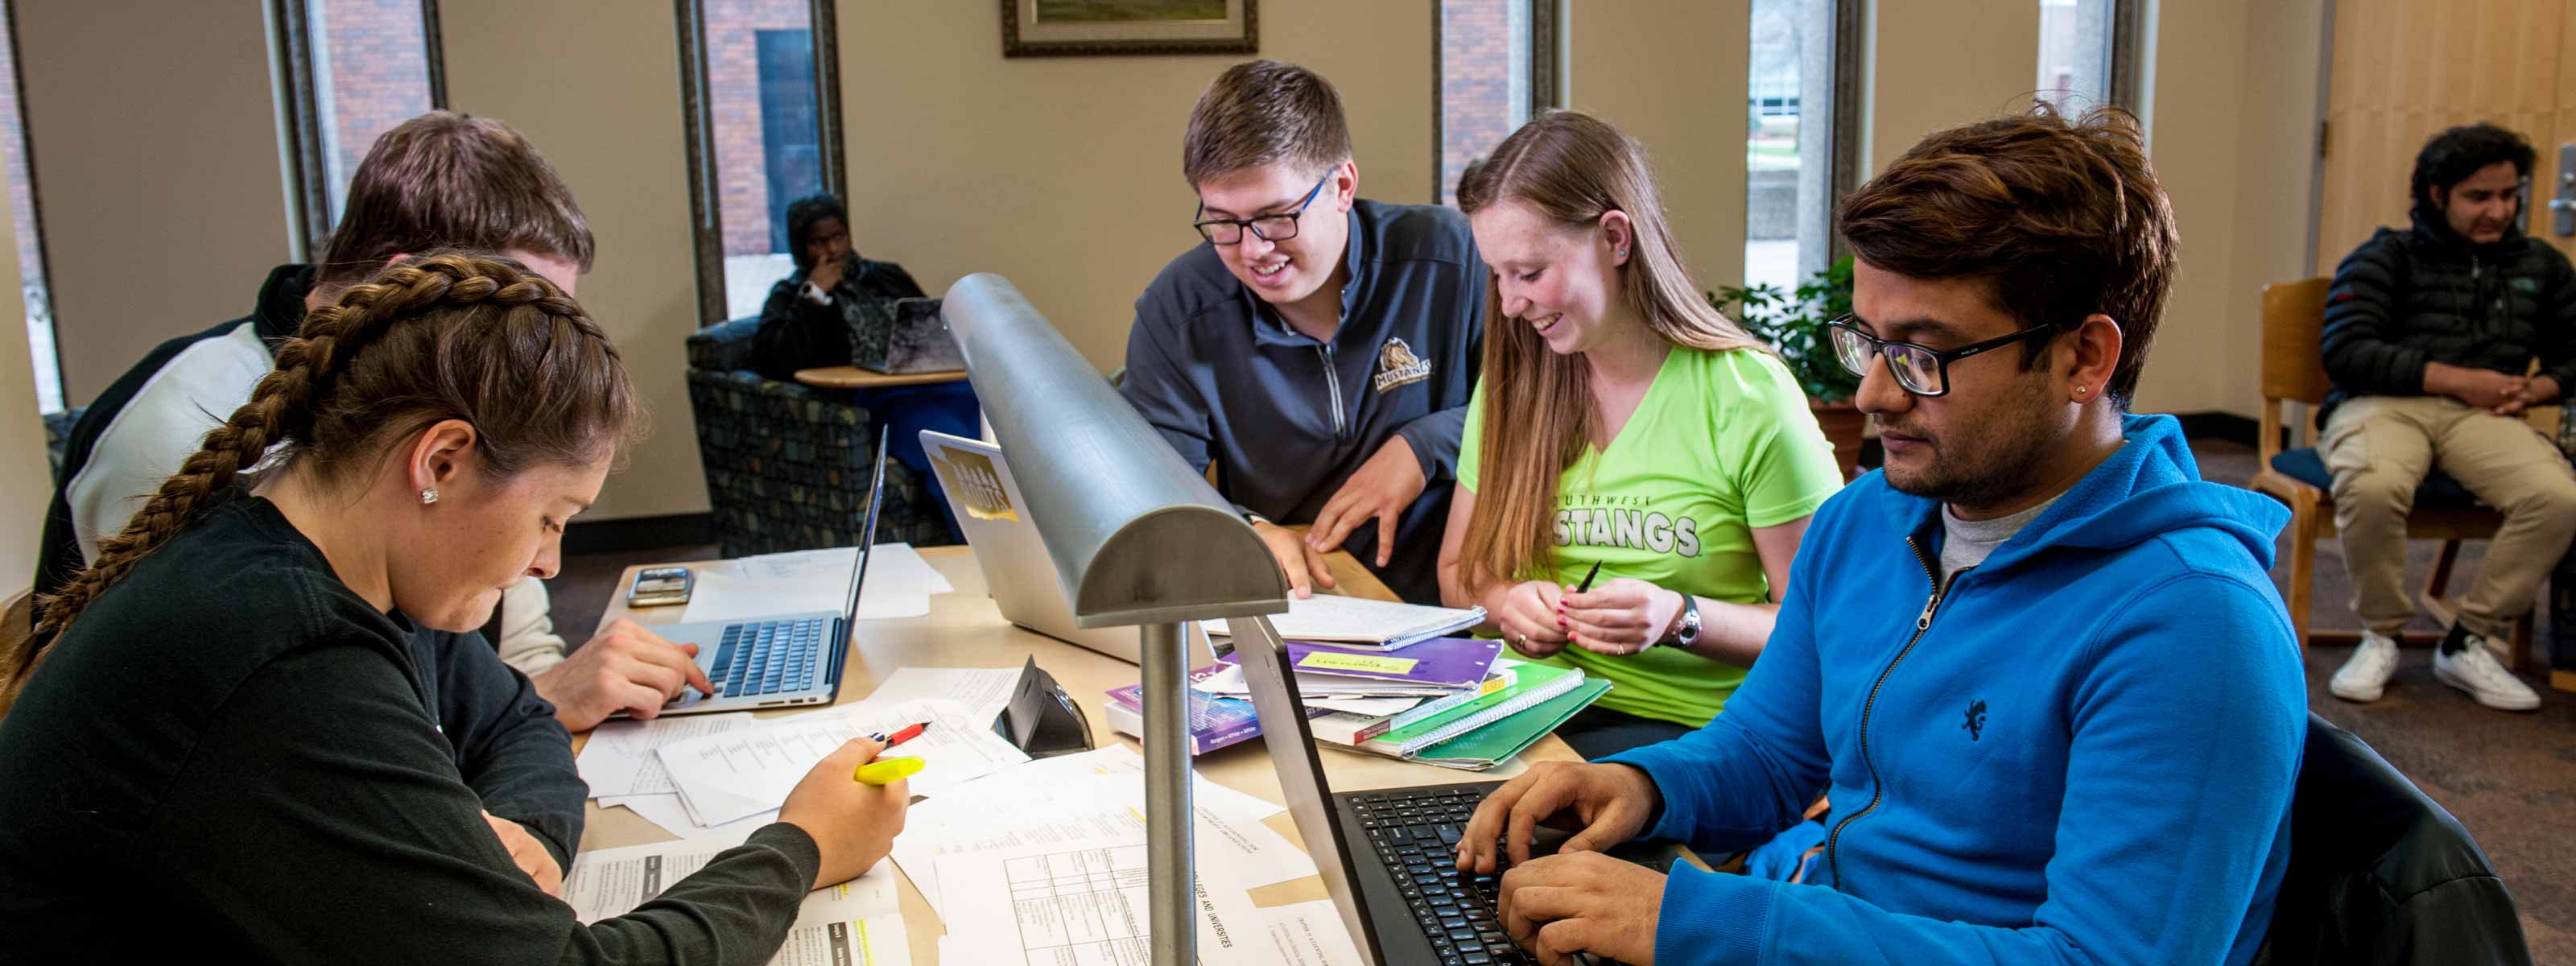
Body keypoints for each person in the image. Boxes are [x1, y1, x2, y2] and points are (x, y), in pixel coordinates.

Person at [1454, 106, 2306, 966]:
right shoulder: (1866, 522)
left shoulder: (2194, 625)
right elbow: (1768, 750)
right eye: (1867, 342)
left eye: (1921, 355)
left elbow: (2100, 960)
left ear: (2082, 359)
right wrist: (1640, 786)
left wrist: (1705, 925)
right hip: (1820, 915)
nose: (1870, 396)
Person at [0, 254, 910, 964]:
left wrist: (527, 840)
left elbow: (521, 719)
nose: (549, 561)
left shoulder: (353, 573)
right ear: (440, 462)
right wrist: (799, 846)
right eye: (550, 518)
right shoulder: (280, 650)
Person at [33, 110, 706, 730]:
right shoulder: (182, 429)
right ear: (411, 282)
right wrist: (540, 708)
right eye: (518, 311)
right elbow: (278, 725)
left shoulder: (460, 436)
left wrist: (532, 713)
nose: (546, 350)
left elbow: (511, 656)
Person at [1437, 110, 1842, 758]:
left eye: (1532, 272)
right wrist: (1505, 602)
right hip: (1533, 716)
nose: (1511, 304)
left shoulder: (1748, 396)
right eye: (1498, 275)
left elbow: (1827, 629)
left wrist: (1682, 618)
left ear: (1616, 239)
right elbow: (1460, 571)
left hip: (1701, 740)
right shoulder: (1514, 386)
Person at [1121, 60, 1484, 605]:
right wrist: (1241, 530)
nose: (1251, 250)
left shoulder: (1456, 259)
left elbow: (1555, 409)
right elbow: (1156, 492)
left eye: (1276, 217)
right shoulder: (1177, 310)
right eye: (1222, 221)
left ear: (1341, 185)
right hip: (1298, 612)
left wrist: (1427, 446)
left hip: (1469, 606)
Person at [2318, 122, 2576, 712]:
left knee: (2556, 497)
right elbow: (2346, 351)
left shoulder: (2541, 264)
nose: (2498, 211)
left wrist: (2539, 388)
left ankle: (2467, 641)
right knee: (2376, 484)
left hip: (2483, 418)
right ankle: (2381, 634)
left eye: (2509, 196)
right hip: (2382, 406)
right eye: (2479, 197)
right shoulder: (2386, 256)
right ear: (2438, 195)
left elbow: (2573, 351)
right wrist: (2460, 379)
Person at [750, 193, 929, 382]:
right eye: (819, 242)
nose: (833, 249)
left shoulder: (885, 275)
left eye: (838, 236)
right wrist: (815, 294)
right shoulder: (788, 293)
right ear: (800, 247)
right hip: (861, 390)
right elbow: (771, 363)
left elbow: (932, 327)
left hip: (918, 377)